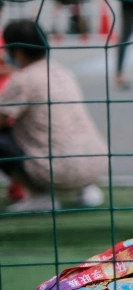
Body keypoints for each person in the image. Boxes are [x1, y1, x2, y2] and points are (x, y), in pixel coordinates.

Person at [0, 20, 107, 212]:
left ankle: (39, 196)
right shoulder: (62, 72)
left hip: (56, 171)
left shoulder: (23, 79)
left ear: (17, 52)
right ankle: (86, 189)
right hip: (96, 164)